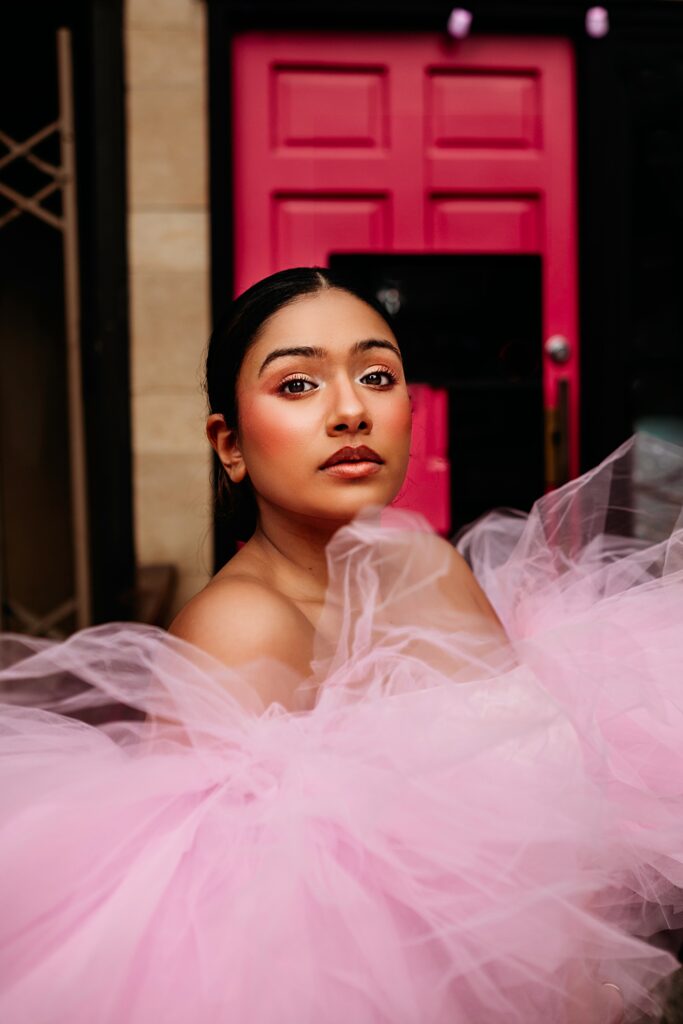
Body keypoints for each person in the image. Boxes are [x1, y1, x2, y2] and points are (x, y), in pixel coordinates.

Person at [1, 266, 682, 1024]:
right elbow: (235, 957)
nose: (351, 410)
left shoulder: (427, 565)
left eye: (376, 375)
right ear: (227, 444)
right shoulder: (242, 628)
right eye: (298, 385)